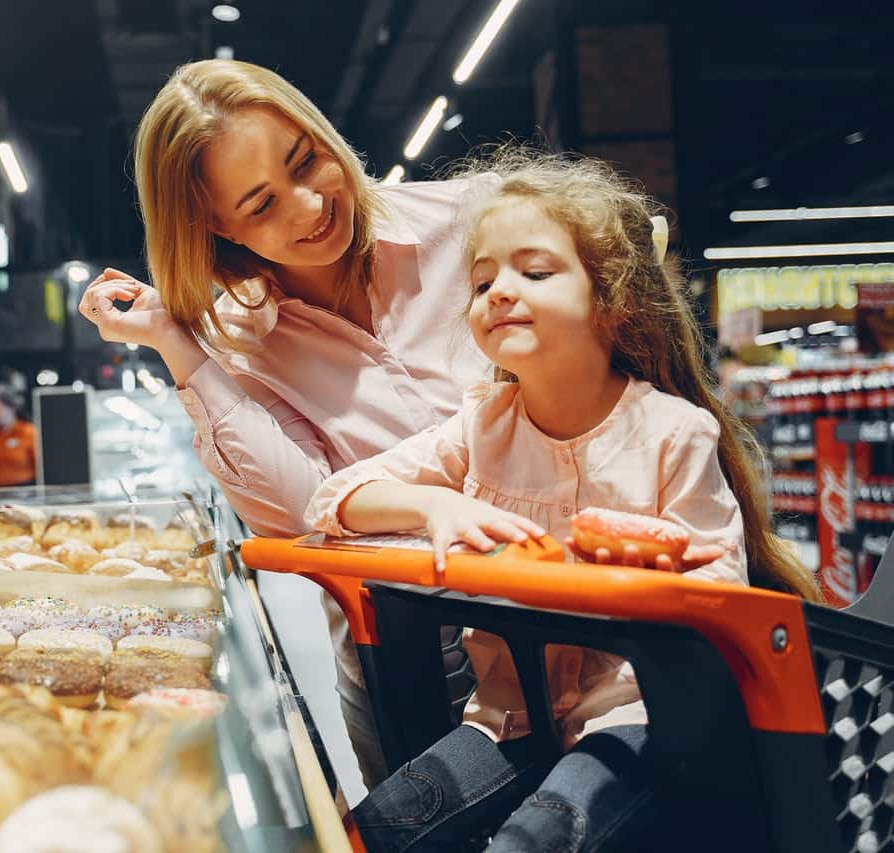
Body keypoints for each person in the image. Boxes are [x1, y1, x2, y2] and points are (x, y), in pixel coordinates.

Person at [305, 148, 821, 852]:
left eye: (535, 272)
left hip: (638, 723)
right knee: (371, 831)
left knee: (529, 841)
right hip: (506, 719)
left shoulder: (673, 433)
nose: (498, 292)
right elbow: (335, 498)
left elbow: (720, 603)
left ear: (610, 299)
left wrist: (629, 571)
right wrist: (434, 508)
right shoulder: (480, 425)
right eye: (482, 280)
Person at [78, 58, 499, 788]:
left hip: (579, 643)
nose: (308, 206)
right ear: (216, 225)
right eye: (262, 204)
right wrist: (180, 346)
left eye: (306, 160)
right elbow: (297, 512)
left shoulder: (476, 222)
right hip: (403, 665)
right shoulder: (238, 343)